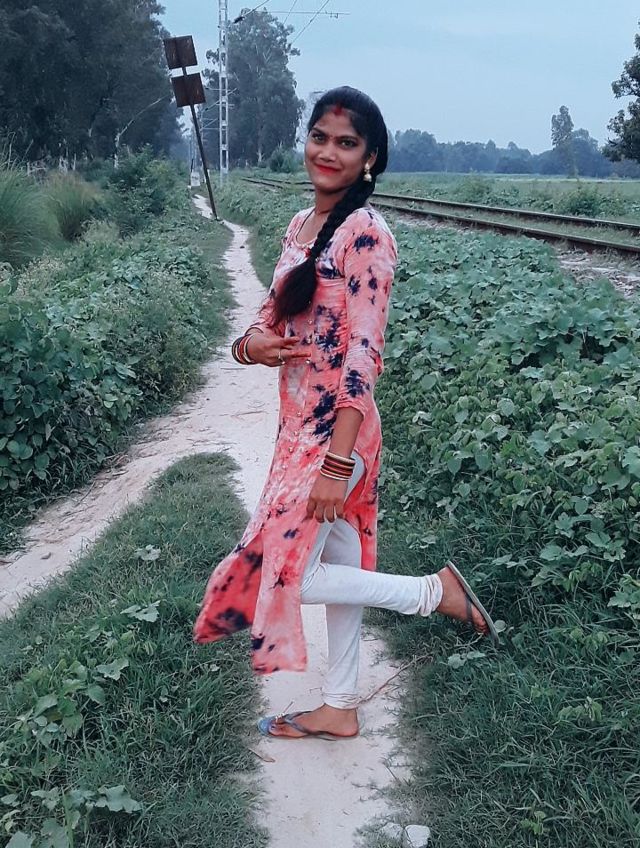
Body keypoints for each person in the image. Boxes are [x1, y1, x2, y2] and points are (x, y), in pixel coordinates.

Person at [193, 86, 499, 741]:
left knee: (289, 574)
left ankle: (434, 593)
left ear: (370, 158)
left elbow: (364, 355)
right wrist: (252, 346)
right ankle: (339, 706)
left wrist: (338, 463)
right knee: (342, 567)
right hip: (295, 435)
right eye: (320, 137)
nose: (328, 152)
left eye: (346, 143)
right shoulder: (299, 226)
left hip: (338, 438)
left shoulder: (367, 234)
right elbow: (266, 317)